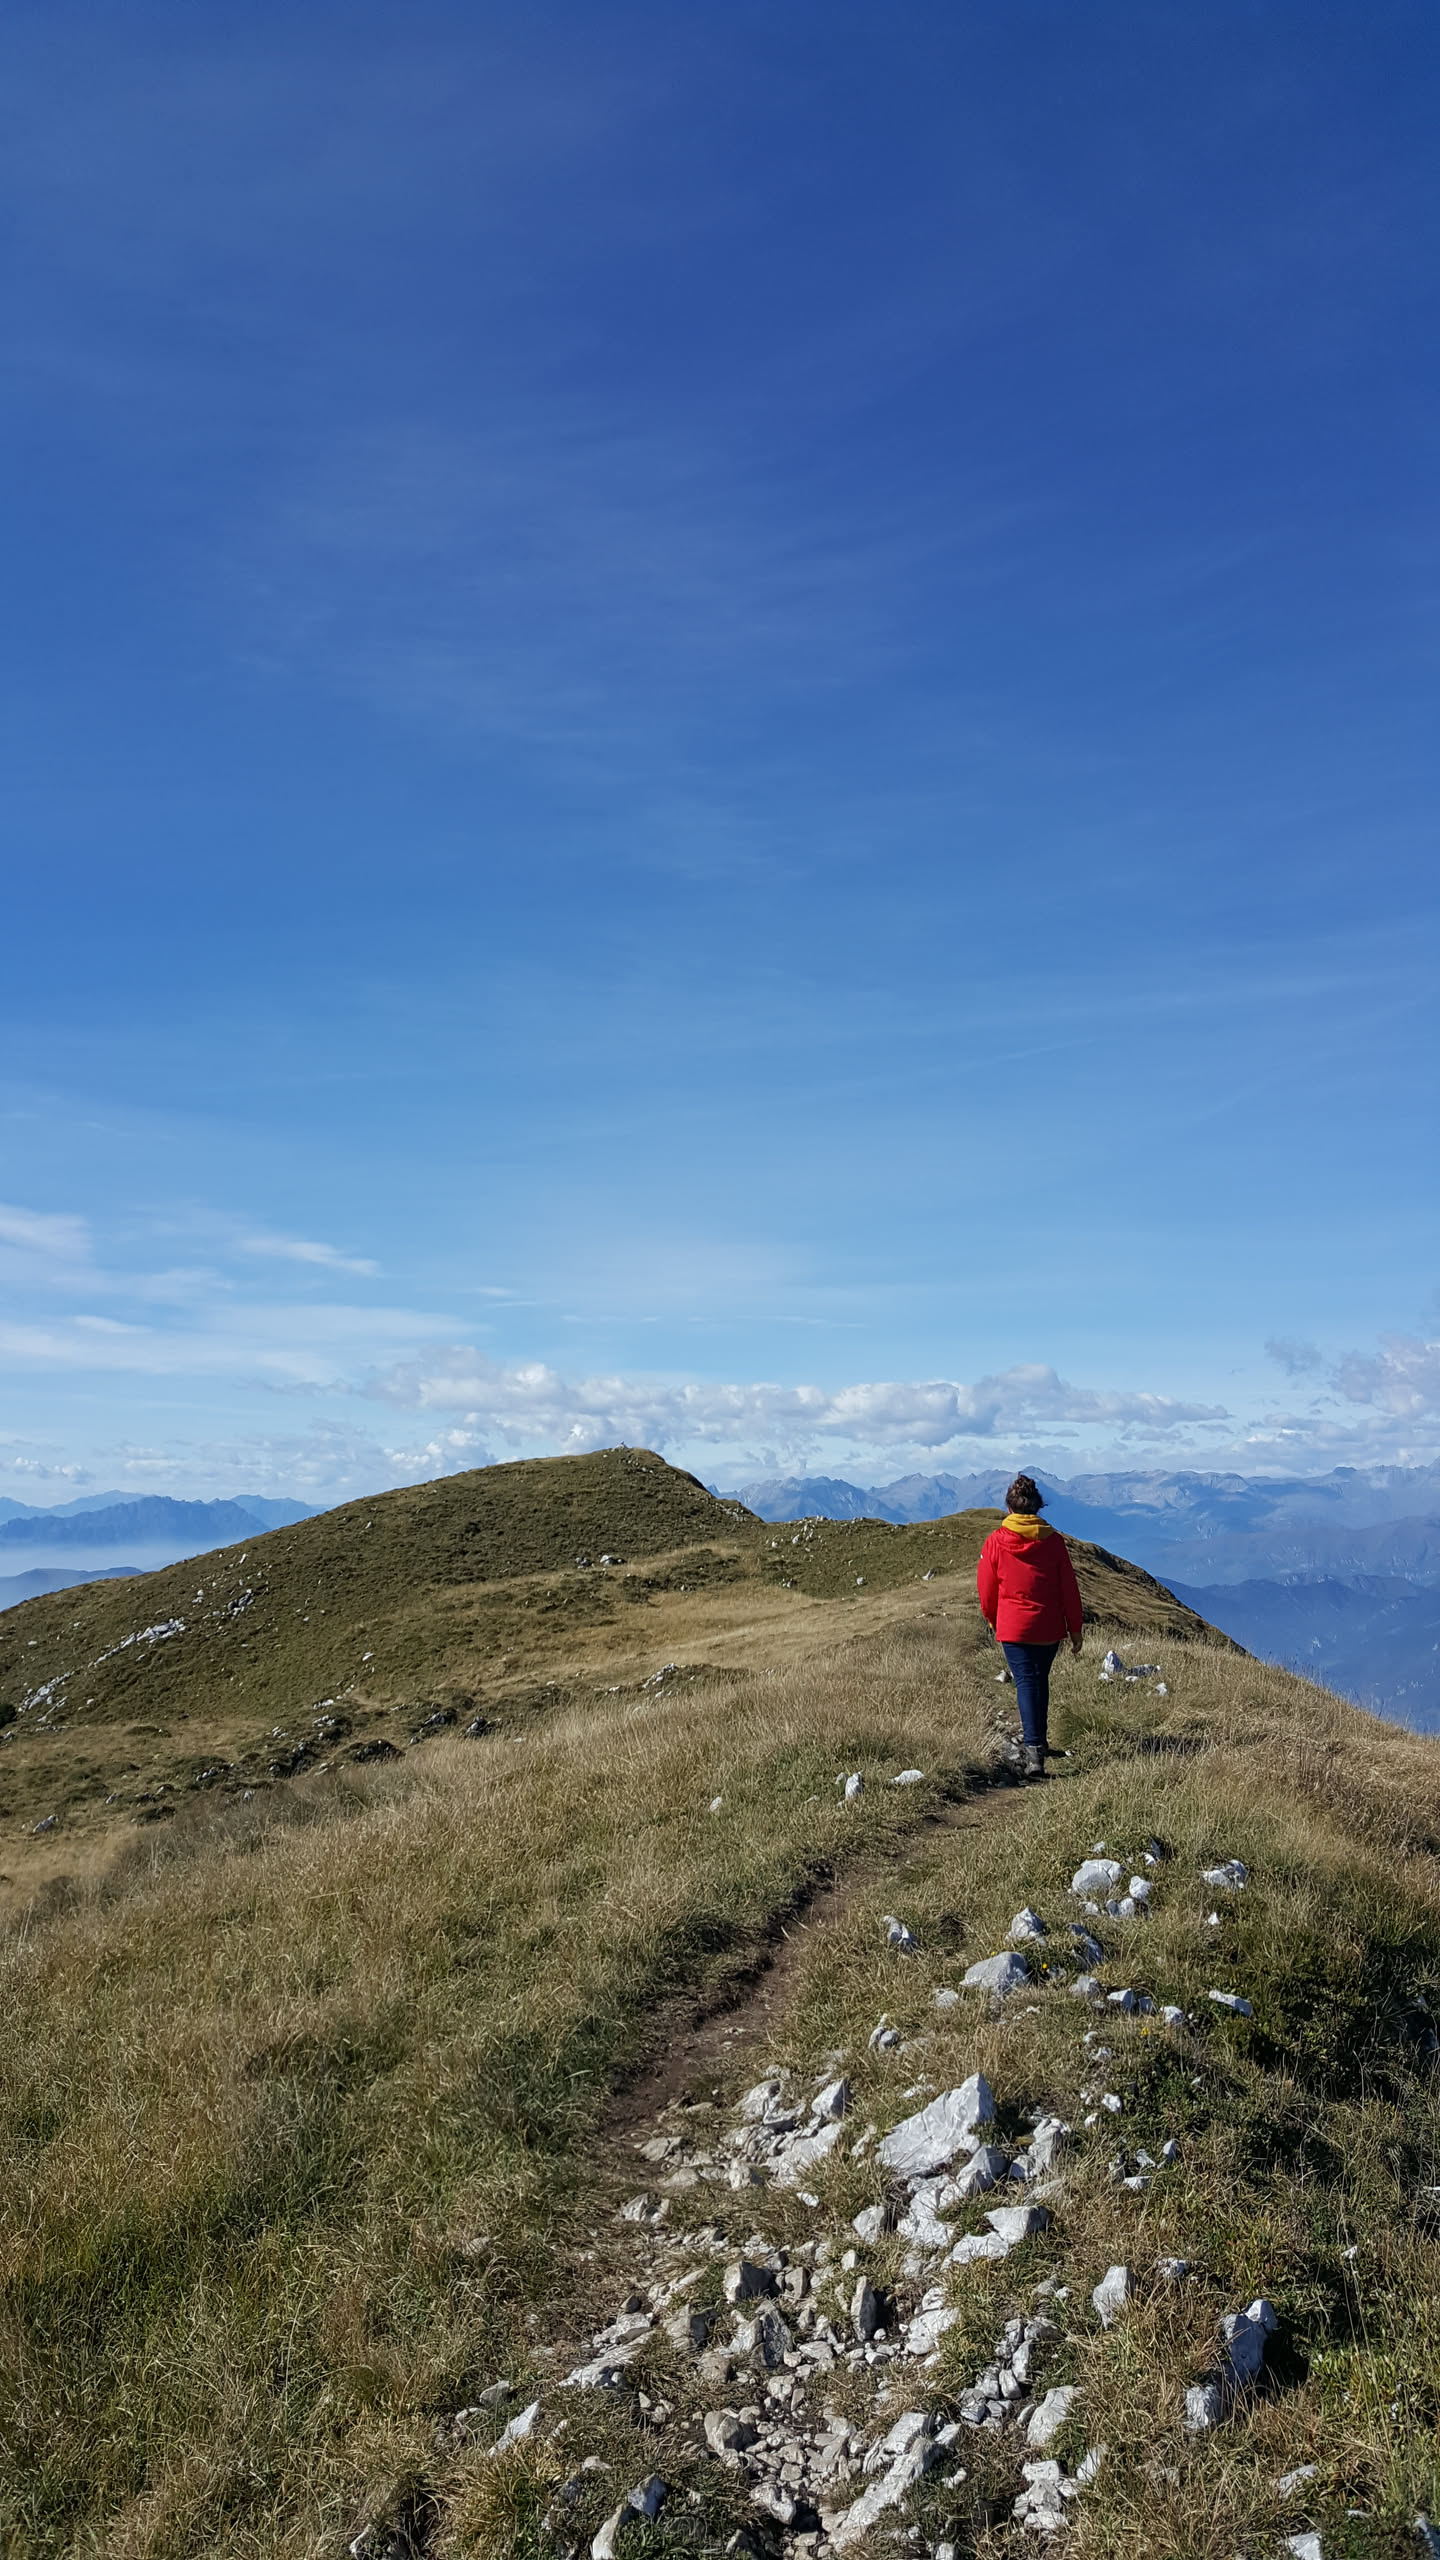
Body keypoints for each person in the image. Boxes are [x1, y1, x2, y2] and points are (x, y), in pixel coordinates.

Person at [976, 1473, 1083, 1778]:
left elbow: (986, 1589)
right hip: (1049, 1628)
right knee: (1039, 1679)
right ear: (1037, 1508)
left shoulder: (996, 1541)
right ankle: (1039, 1742)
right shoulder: (1055, 1542)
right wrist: (1075, 1629)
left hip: (1014, 1628)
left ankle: (1034, 1753)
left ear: (1009, 1508)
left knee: (1026, 1682)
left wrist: (994, 1619)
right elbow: (1069, 1588)